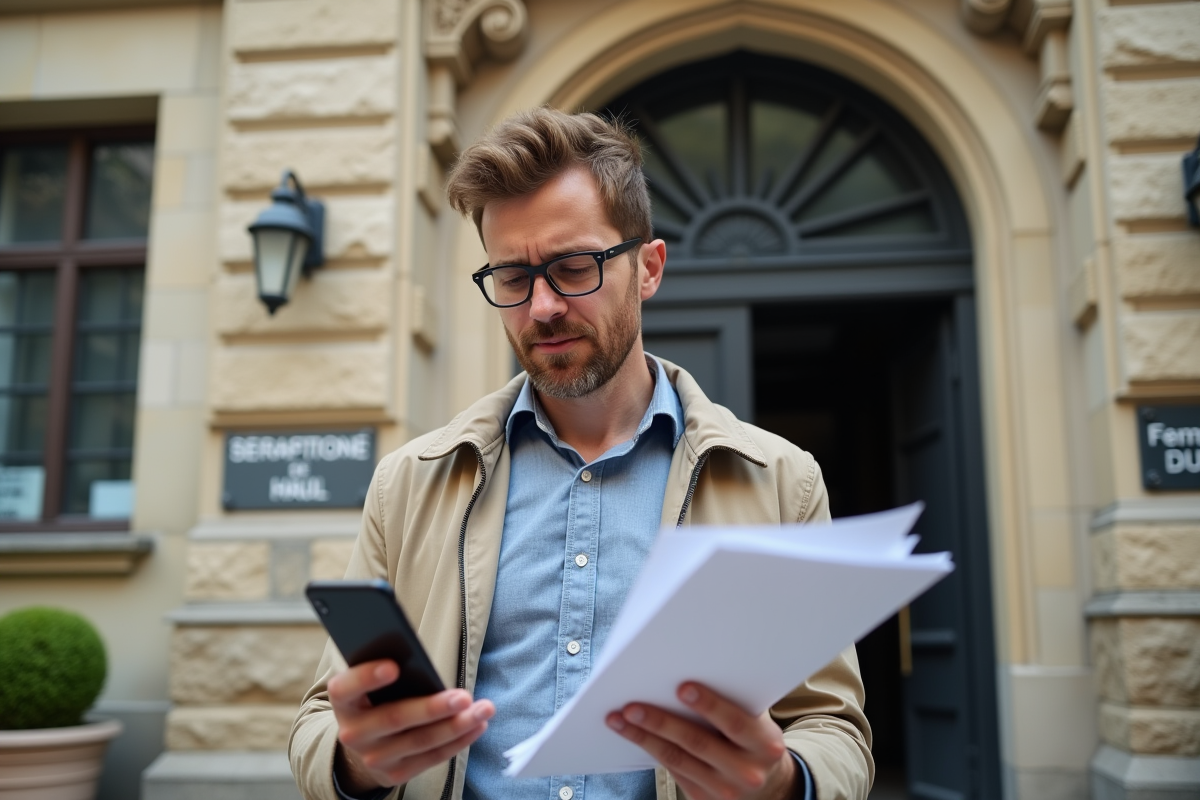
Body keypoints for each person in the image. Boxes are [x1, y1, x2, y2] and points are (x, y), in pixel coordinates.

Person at [290, 107, 872, 800]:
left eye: (573, 268)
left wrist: (781, 781)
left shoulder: (781, 482)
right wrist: (358, 764)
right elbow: (321, 720)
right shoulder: (409, 485)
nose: (541, 307)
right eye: (511, 277)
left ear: (648, 268)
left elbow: (832, 728)